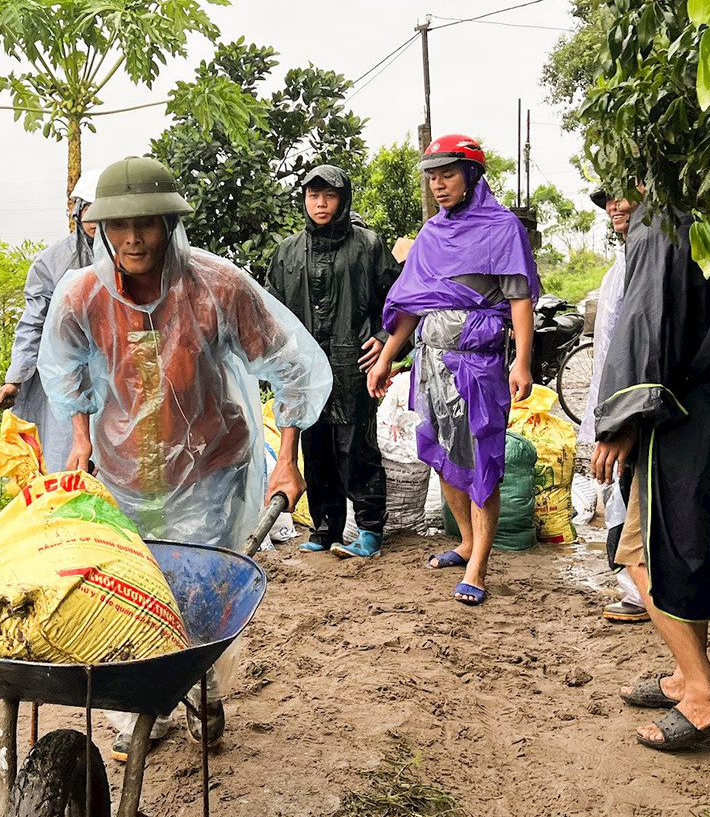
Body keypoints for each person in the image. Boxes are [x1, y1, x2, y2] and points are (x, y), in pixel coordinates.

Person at [38, 156, 331, 755]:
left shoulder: (217, 287)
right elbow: (67, 375)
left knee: (197, 589)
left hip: (210, 469)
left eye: (147, 222)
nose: (134, 237)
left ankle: (201, 689)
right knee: (132, 589)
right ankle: (143, 702)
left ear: (170, 223)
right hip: (122, 474)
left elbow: (291, 367)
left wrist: (287, 457)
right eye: (119, 225)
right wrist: (83, 441)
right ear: (99, 229)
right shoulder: (82, 296)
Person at [591, 199, 710, 752]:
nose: (615, 204)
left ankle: (703, 691)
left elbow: (649, 324)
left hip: (680, 408)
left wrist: (621, 418)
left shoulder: (659, 225)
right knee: (687, 544)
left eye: (622, 189)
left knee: (641, 551)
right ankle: (684, 673)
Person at [365, 136, 537, 606]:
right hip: (431, 363)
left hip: (478, 366)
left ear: (472, 174)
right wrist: (385, 360)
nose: (438, 185)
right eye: (432, 177)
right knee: (444, 456)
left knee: (480, 461)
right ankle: (464, 541)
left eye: (447, 175)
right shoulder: (432, 235)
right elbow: (410, 308)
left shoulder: (502, 228)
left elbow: (520, 298)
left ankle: (480, 564)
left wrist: (521, 360)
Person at [266, 163, 401, 558]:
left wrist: (383, 341)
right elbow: (272, 311)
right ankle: (326, 529)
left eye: (329, 196)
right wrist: (278, 358)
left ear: (343, 200)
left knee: (357, 447)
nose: (320, 204)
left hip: (353, 363)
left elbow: (397, 304)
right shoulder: (288, 252)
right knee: (317, 446)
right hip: (305, 368)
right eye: (313, 196)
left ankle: (370, 530)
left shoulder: (367, 246)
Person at [0, 177, 98, 470]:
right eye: (88, 208)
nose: (95, 218)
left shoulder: (127, 257)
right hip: (63, 377)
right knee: (64, 458)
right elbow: (33, 322)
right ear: (77, 211)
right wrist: (15, 378)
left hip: (112, 378)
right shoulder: (52, 262)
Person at [578, 188, 647, 624]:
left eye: (622, 198)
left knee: (632, 495)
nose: (614, 207)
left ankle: (643, 592)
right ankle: (636, 587)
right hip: (616, 403)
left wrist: (622, 420)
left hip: (631, 409)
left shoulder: (645, 259)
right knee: (621, 494)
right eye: (608, 201)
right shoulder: (623, 261)